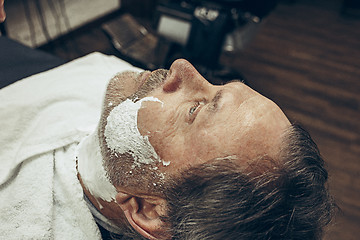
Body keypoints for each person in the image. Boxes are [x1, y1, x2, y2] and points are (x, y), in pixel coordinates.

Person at [0, 52, 334, 240]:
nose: (182, 67)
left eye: (195, 109)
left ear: (150, 211)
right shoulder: (122, 85)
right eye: (217, 85)